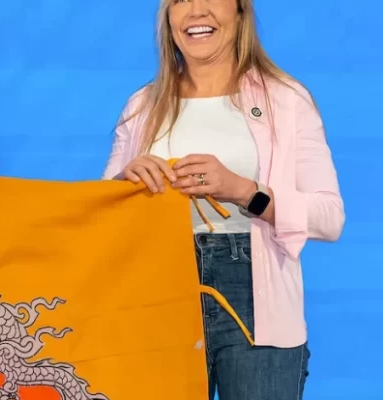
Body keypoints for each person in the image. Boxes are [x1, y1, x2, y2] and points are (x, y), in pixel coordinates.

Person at [102, 0, 344, 398]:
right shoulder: (142, 106)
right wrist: (124, 184)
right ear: (168, 17)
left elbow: (330, 217)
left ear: (240, 11)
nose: (197, 10)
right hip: (158, 289)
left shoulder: (286, 100)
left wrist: (244, 191)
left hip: (257, 300)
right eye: (181, 0)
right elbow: (104, 217)